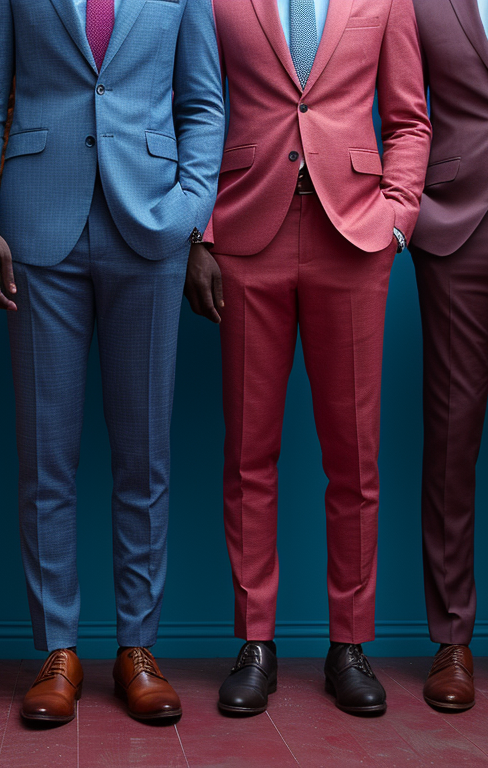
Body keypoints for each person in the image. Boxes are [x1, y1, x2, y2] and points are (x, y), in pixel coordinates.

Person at [0, 0, 224, 724]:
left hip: (153, 228)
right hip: (37, 225)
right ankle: (59, 651)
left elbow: (204, 103)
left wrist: (190, 208)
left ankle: (138, 648)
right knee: (45, 455)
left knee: (146, 455)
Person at [185, 0, 430, 716]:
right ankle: (255, 643)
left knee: (354, 456)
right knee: (247, 454)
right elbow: (195, 108)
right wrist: (202, 233)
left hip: (353, 239)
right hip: (245, 235)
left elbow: (409, 120)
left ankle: (348, 644)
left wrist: (397, 217)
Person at [411, 0, 488, 713]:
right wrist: (412, 210)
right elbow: (402, 107)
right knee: (452, 435)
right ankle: (453, 639)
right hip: (458, 230)